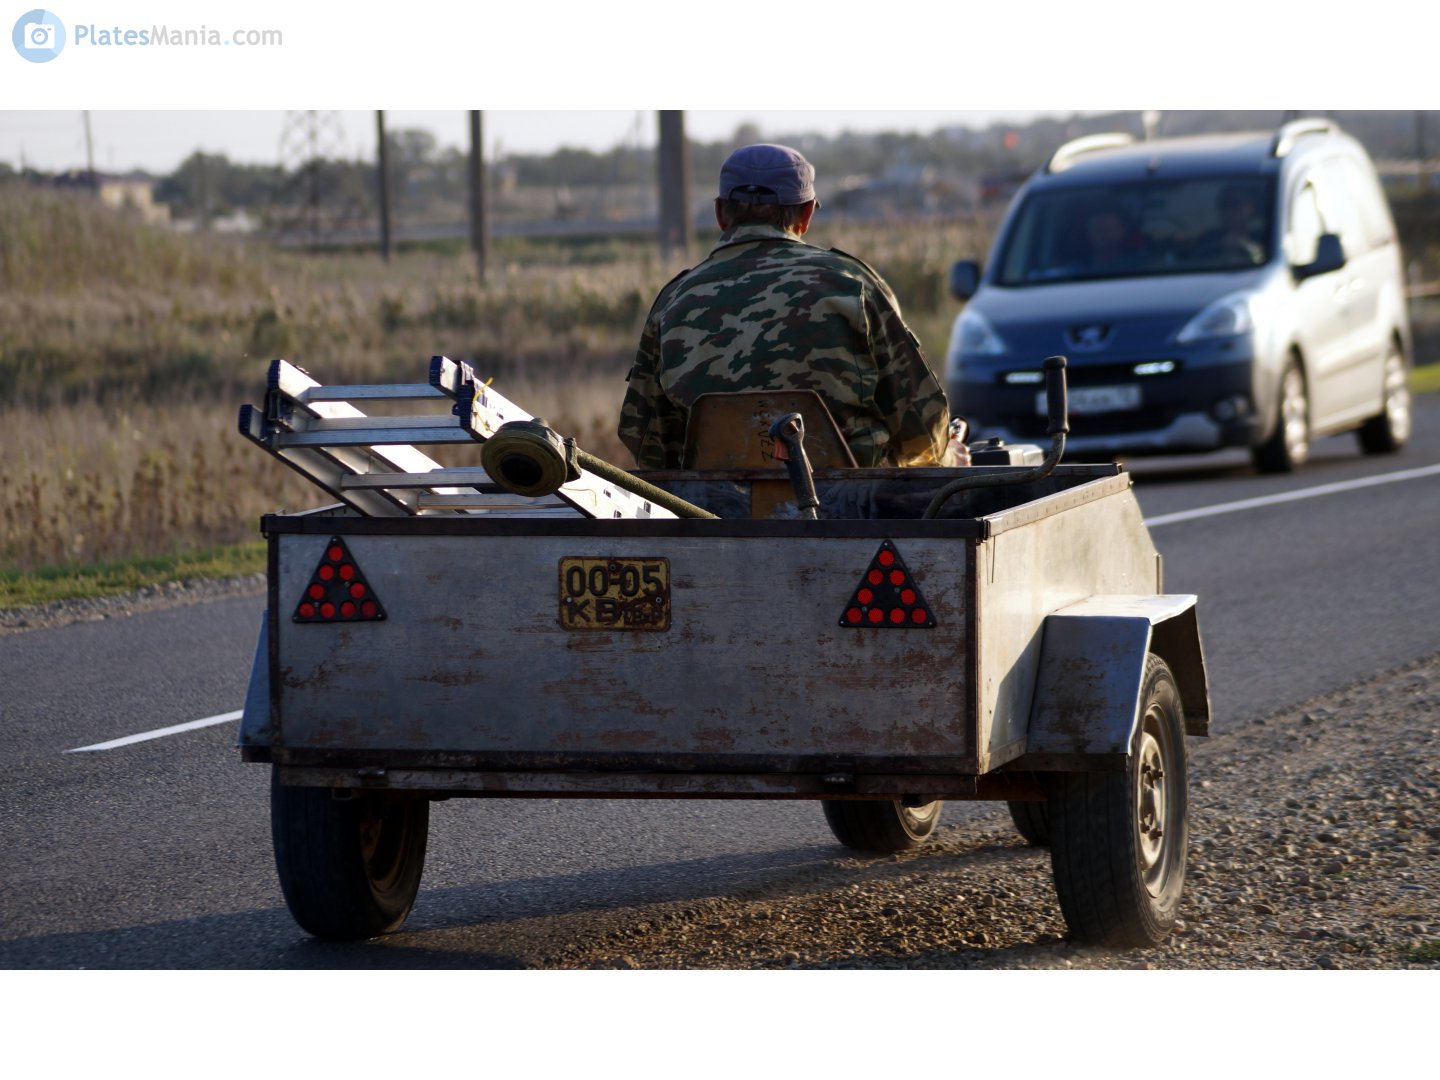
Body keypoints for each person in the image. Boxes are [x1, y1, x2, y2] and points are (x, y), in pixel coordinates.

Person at [618, 143, 965, 470]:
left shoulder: (674, 301)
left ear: (721, 213)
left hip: (711, 507)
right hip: (854, 506)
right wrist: (951, 458)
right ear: (806, 214)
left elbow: (648, 443)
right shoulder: (852, 285)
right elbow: (923, 432)